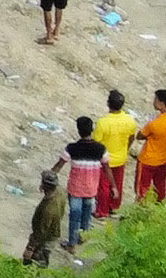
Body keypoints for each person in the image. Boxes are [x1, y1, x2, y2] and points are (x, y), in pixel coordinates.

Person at [64, 116, 107, 246]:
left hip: (76, 189)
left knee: (74, 217)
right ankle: (83, 238)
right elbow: (107, 168)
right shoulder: (100, 148)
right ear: (92, 130)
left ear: (78, 130)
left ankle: (71, 244)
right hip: (91, 189)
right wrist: (114, 187)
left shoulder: (72, 148)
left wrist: (50, 174)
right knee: (86, 216)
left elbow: (60, 163)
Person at [95, 88, 138, 218]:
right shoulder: (130, 120)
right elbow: (132, 137)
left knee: (104, 186)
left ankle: (102, 211)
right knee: (117, 183)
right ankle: (114, 207)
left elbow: (97, 143)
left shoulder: (103, 122)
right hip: (121, 157)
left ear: (108, 104)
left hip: (106, 159)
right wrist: (126, 149)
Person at [136, 89, 166, 202]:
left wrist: (150, 128)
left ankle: (138, 210)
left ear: (161, 103)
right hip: (163, 159)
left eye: (155, 99)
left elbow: (139, 136)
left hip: (148, 159)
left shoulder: (154, 123)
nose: (153, 102)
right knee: (160, 188)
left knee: (142, 189)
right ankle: (158, 208)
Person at [25, 170, 64, 267]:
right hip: (52, 233)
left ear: (45, 186)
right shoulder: (59, 192)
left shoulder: (48, 209)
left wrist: (30, 248)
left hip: (45, 239)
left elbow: (41, 232)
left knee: (33, 264)